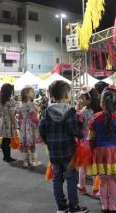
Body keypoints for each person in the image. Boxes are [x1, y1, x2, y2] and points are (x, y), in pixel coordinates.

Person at [39, 80, 88, 213]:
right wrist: (82, 132)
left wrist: (48, 141)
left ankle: (61, 206)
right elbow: (74, 130)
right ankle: (74, 207)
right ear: (67, 94)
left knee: (57, 178)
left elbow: (41, 129)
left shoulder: (46, 111)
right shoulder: (70, 111)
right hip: (68, 151)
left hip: (54, 152)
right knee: (71, 178)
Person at [86, 87, 116, 212]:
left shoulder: (95, 118)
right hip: (115, 154)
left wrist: (92, 153)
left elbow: (91, 139)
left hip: (99, 153)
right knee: (113, 181)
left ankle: (104, 206)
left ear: (101, 102)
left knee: (103, 181)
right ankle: (112, 206)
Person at [77, 87, 101, 195]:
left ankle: (82, 186)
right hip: (96, 142)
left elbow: (78, 125)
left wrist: (77, 109)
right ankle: (97, 188)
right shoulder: (99, 112)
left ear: (89, 99)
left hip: (84, 143)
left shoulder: (83, 112)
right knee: (95, 166)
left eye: (82, 98)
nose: (80, 100)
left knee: (83, 166)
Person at [18, 87, 41, 167]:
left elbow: (20, 117)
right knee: (32, 144)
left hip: (23, 126)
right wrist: (39, 123)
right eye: (32, 92)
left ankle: (26, 161)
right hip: (31, 126)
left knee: (25, 144)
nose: (33, 93)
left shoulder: (21, 105)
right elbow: (33, 117)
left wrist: (22, 125)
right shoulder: (31, 105)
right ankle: (33, 161)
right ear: (27, 94)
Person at [0, 84, 17, 162]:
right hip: (9, 121)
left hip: (3, 121)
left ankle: (5, 156)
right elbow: (12, 114)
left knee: (4, 139)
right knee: (8, 140)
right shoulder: (11, 101)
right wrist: (15, 125)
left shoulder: (0, 101)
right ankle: (8, 157)